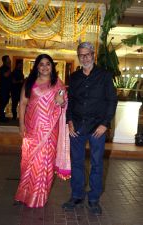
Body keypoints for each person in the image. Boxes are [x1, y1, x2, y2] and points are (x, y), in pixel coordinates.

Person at [62, 42, 118, 215]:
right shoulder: (75, 77)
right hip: (77, 126)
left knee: (96, 164)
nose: (85, 57)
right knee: (77, 162)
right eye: (81, 55)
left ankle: (93, 199)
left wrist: (104, 124)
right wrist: (69, 120)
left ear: (93, 55)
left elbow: (112, 101)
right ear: (78, 56)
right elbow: (70, 102)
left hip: (97, 127)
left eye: (87, 54)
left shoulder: (104, 76)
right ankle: (77, 196)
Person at [14, 54, 70, 208]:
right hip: (32, 128)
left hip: (49, 130)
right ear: (36, 67)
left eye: (48, 64)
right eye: (41, 64)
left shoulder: (58, 84)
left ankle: (38, 197)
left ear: (52, 66)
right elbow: (23, 104)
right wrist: (21, 124)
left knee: (44, 163)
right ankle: (23, 194)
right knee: (27, 161)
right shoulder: (29, 82)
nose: (45, 67)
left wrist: (62, 102)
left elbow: (64, 103)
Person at [0, 55, 11, 122]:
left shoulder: (7, 67)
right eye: (8, 59)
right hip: (3, 88)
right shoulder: (2, 68)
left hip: (6, 88)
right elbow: (5, 75)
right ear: (5, 60)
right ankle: (1, 117)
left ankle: (2, 116)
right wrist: (9, 69)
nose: (10, 60)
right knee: (3, 102)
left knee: (5, 101)